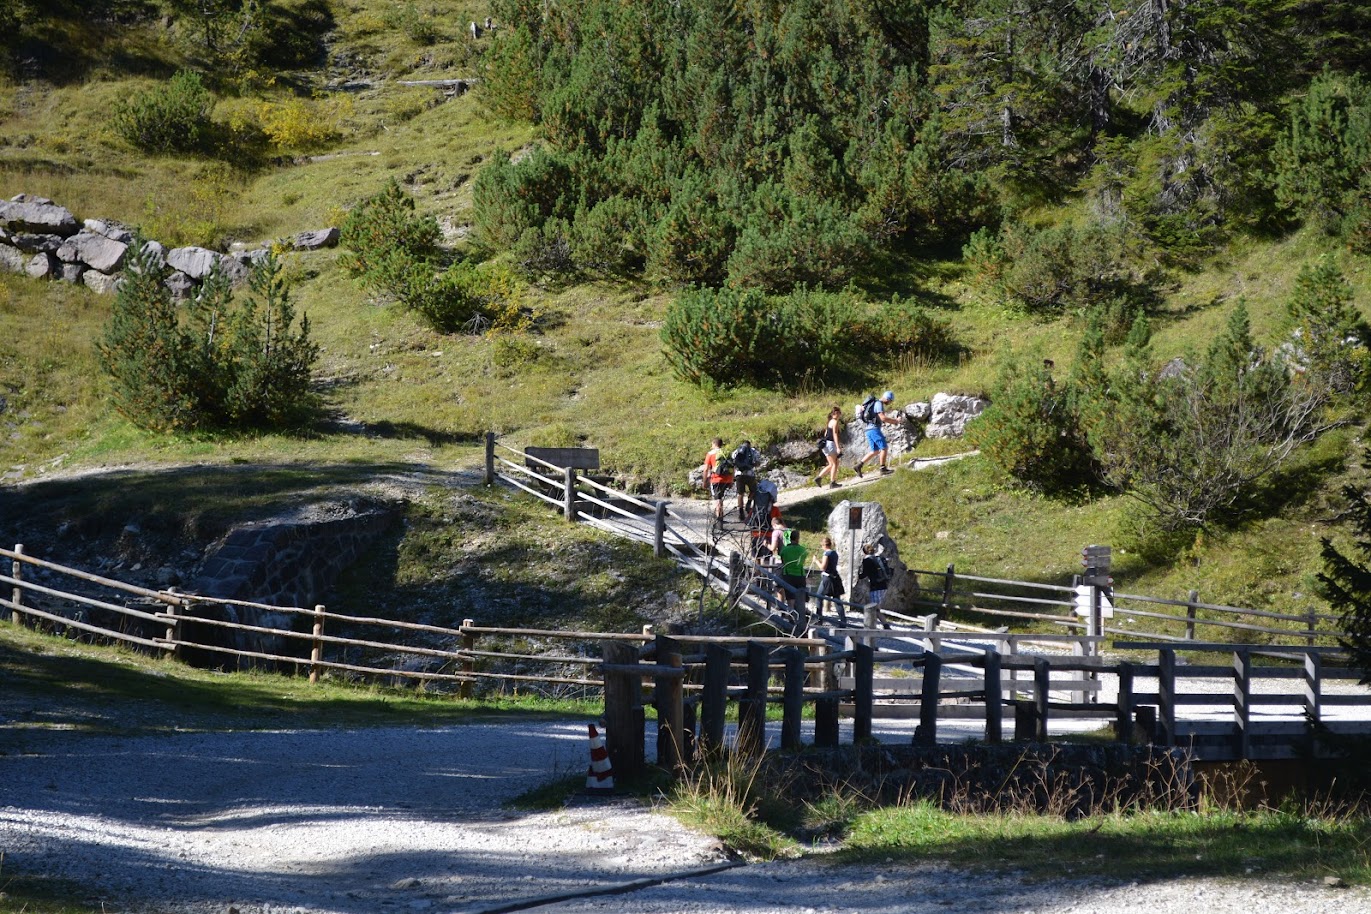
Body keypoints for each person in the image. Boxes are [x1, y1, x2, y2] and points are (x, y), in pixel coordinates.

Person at [854, 390, 902, 478]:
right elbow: (883, 418)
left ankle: (859, 466)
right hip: (874, 429)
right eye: (890, 401)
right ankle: (883, 469)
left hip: (868, 429)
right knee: (884, 448)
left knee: (875, 451)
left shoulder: (874, 403)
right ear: (888, 398)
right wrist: (896, 421)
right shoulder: (879, 404)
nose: (890, 403)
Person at [776, 529, 809, 634]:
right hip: (800, 575)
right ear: (798, 538)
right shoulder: (803, 550)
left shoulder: (785, 550)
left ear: (790, 538)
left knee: (790, 600)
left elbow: (783, 560)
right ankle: (801, 620)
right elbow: (802, 561)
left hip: (788, 575)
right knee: (801, 599)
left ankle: (791, 619)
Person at [857, 541, 893, 630]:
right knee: (876, 607)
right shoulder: (878, 558)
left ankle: (884, 625)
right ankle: (879, 624)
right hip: (884, 585)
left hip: (876, 586)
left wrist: (858, 574)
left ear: (864, 552)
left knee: (874, 608)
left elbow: (864, 574)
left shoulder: (867, 561)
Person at [812, 535, 847, 625]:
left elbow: (823, 567)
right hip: (835, 576)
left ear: (823, 545)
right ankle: (843, 620)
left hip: (827, 578)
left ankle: (819, 619)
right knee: (836, 599)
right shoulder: (834, 553)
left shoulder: (826, 554)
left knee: (819, 597)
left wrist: (816, 561)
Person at [702, 437, 734, 522]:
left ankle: (719, 520)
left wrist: (704, 481)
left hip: (716, 479)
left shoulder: (710, 453)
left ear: (714, 444)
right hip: (727, 478)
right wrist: (731, 481)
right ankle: (721, 516)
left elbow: (706, 469)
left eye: (711, 444)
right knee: (720, 497)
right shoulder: (726, 453)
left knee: (717, 499)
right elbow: (733, 467)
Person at [814, 406, 843, 489]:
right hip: (830, 444)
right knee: (835, 463)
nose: (837, 415)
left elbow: (825, 434)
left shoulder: (829, 422)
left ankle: (819, 478)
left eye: (838, 413)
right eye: (836, 413)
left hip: (825, 444)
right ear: (834, 414)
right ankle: (832, 482)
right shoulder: (835, 422)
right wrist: (838, 447)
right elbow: (835, 434)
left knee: (831, 464)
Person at [731, 440, 762, 519]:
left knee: (740, 493)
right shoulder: (754, 451)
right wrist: (752, 465)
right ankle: (748, 503)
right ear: (750, 444)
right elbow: (758, 463)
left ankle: (741, 511)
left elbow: (733, 461)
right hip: (750, 474)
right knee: (753, 490)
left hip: (739, 475)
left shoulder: (737, 451)